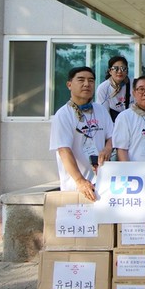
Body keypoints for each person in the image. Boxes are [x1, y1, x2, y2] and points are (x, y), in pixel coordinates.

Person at [49, 66, 113, 201]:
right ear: (69, 85)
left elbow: (112, 137)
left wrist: (107, 149)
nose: (86, 84)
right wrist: (80, 181)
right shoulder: (63, 115)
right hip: (76, 187)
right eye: (81, 80)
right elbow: (64, 150)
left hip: (103, 183)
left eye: (91, 80)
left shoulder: (101, 110)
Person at [112, 75, 145, 162]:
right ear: (134, 93)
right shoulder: (124, 117)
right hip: (135, 169)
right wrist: (128, 169)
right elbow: (121, 149)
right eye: (141, 89)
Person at [95, 55, 131, 122]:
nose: (119, 71)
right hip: (113, 123)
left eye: (123, 68)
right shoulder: (103, 88)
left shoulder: (134, 85)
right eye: (115, 68)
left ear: (127, 71)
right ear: (110, 71)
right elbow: (103, 114)